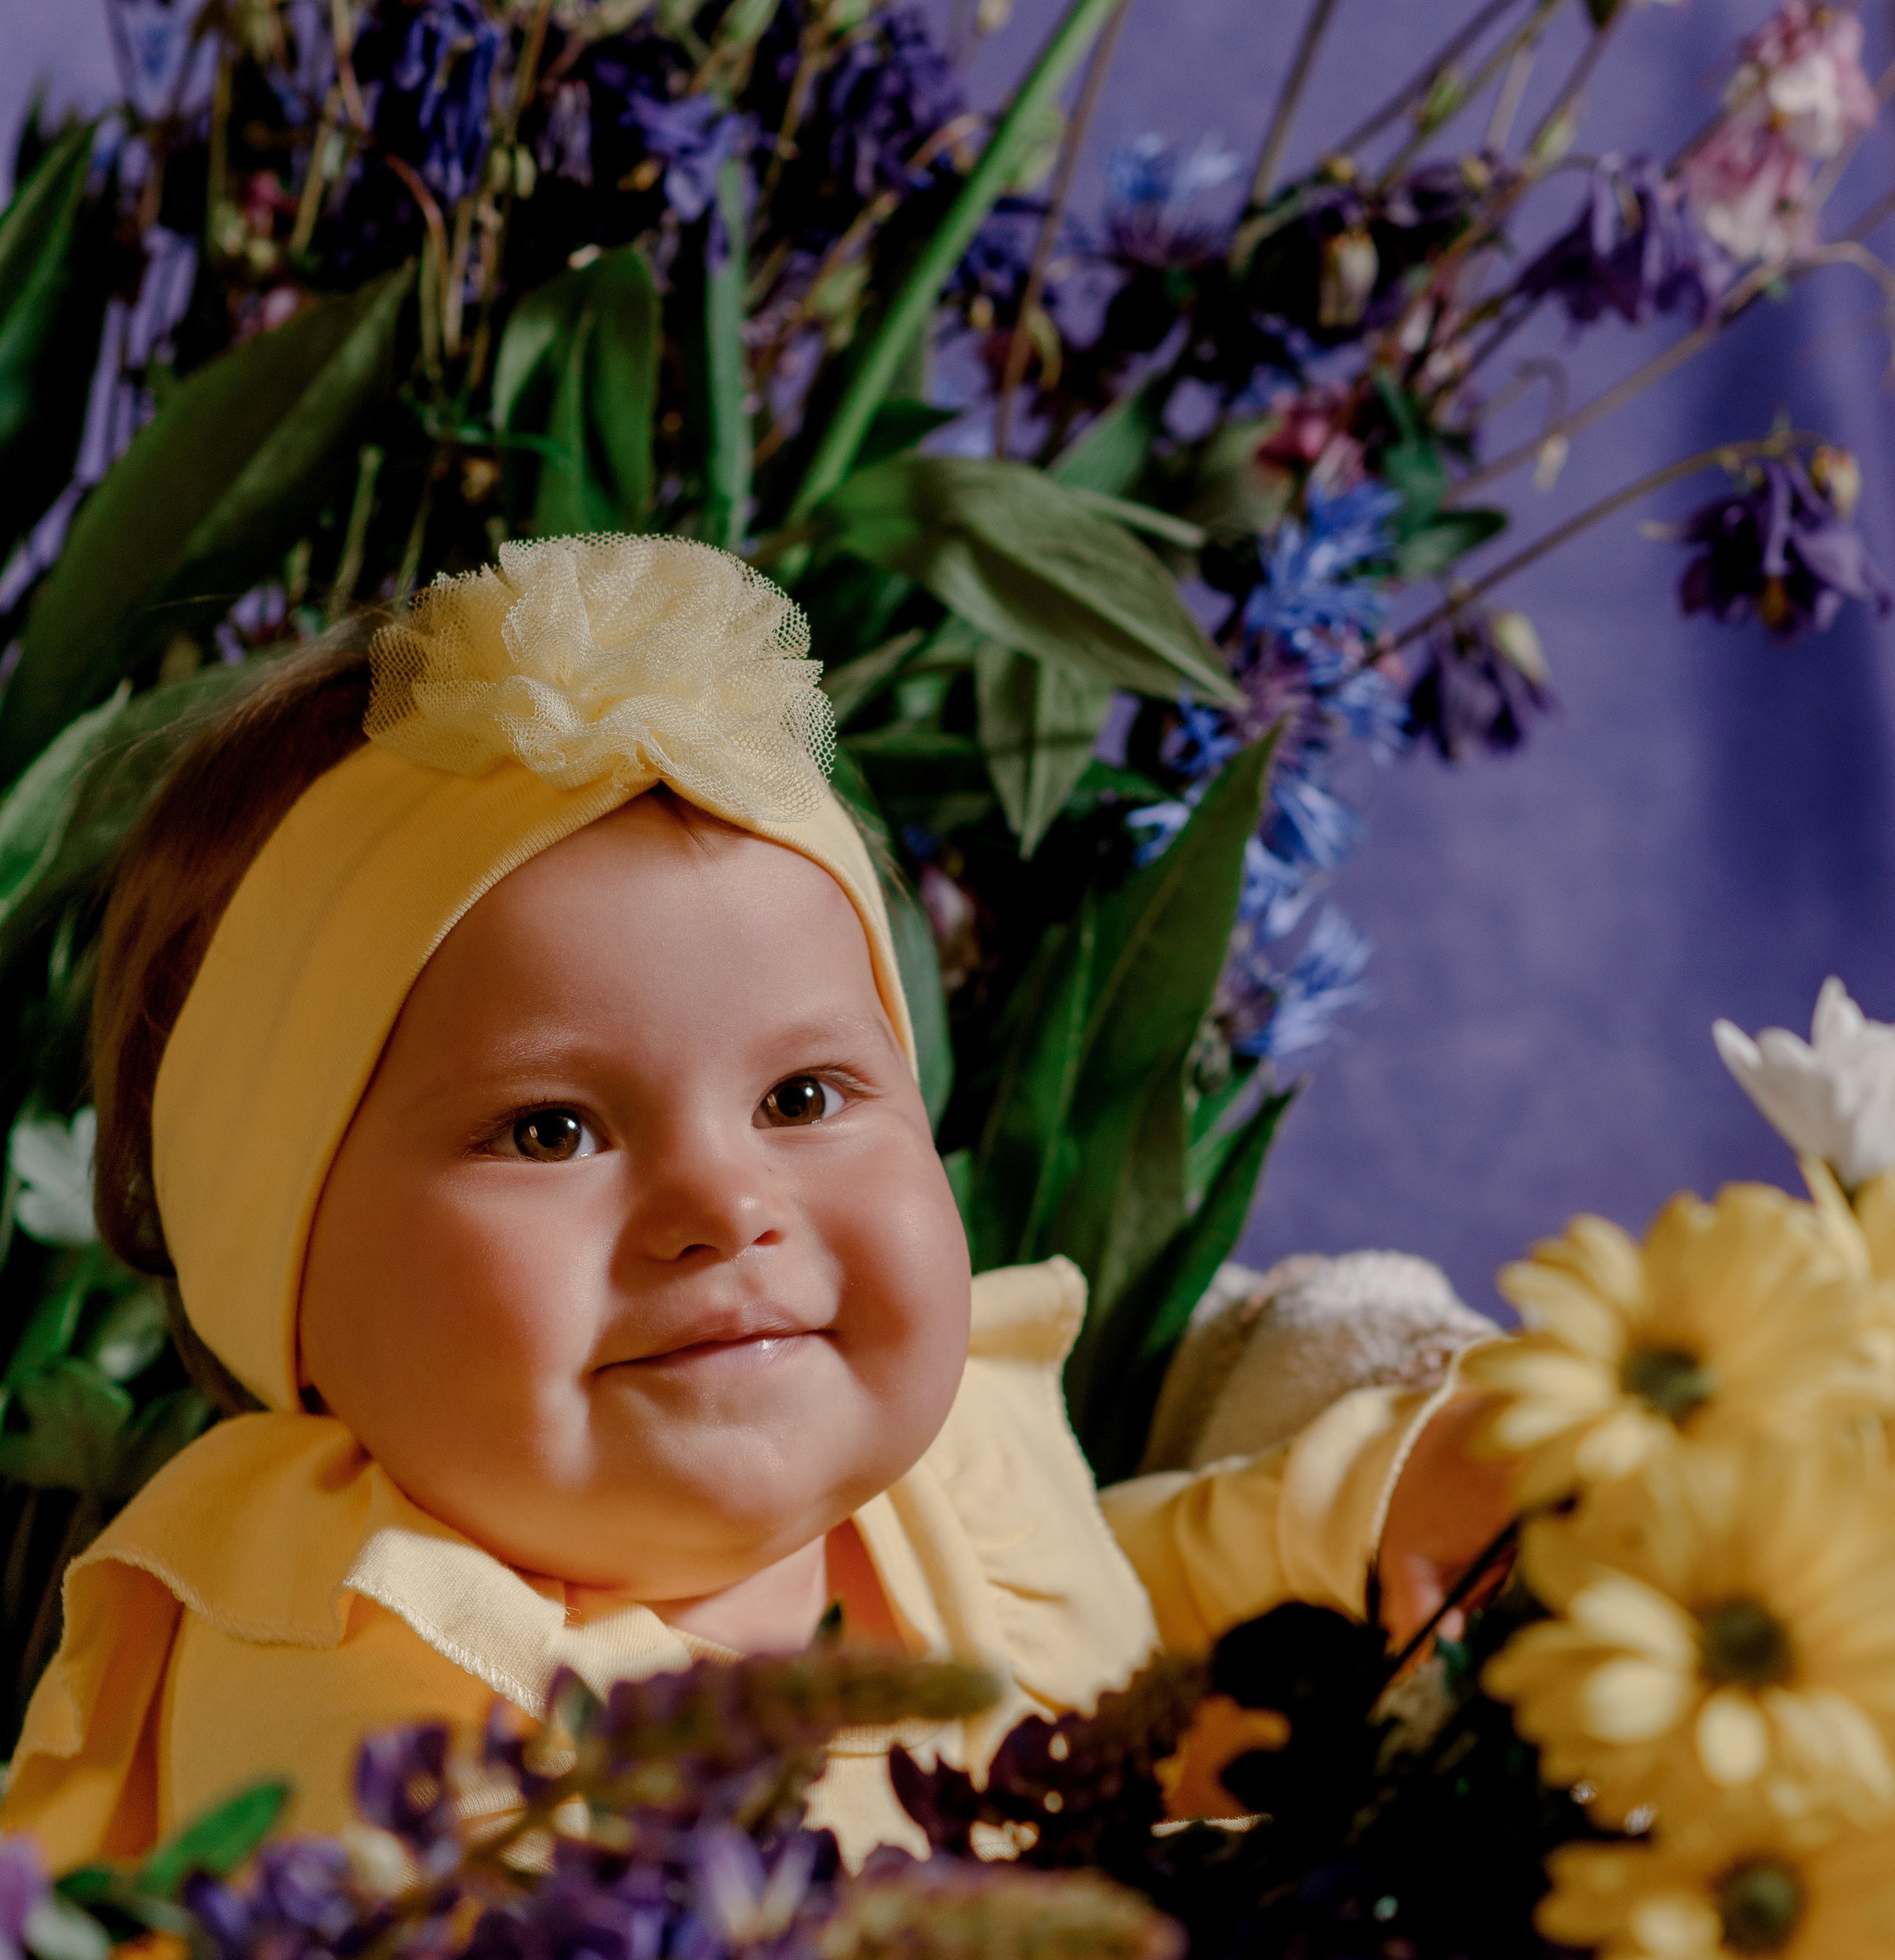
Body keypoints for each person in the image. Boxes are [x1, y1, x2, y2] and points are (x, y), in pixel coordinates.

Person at [1, 531, 1514, 1873]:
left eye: (800, 1099)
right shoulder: (369, 1669)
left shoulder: (930, 1470)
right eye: (548, 1128)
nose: (723, 1204)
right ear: (289, 1274)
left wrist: (1381, 1520)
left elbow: (1117, 1656)